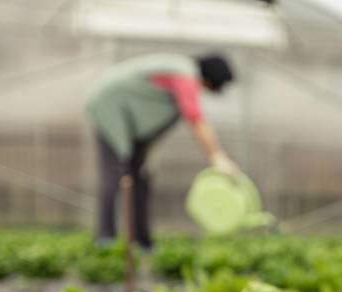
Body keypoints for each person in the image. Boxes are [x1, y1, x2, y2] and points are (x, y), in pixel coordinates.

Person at [85, 52, 240, 248]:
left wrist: (148, 154)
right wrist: (217, 156)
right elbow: (194, 118)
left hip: (131, 124)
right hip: (110, 112)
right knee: (115, 177)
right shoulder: (184, 75)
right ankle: (106, 239)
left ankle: (141, 242)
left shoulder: (180, 70)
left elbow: (157, 119)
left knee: (141, 179)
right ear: (210, 80)